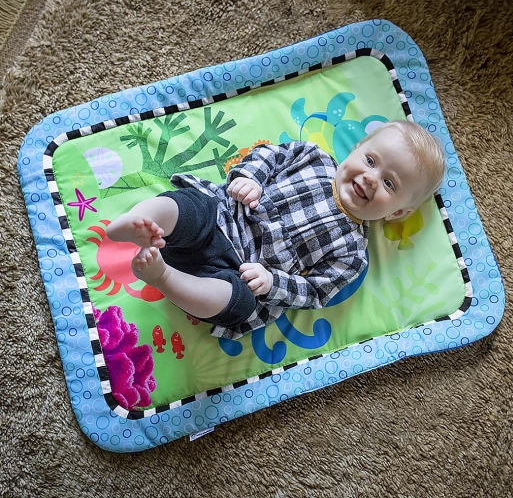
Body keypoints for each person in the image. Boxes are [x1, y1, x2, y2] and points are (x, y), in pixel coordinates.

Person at [106, 120, 446, 340]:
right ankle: (138, 221)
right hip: (222, 217)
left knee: (238, 303)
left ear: (397, 212)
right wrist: (250, 178)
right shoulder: (313, 158)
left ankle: (164, 277)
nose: (371, 178)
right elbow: (269, 155)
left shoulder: (353, 254)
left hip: (237, 271)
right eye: (370, 161)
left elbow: (314, 292)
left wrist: (273, 282)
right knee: (190, 206)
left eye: (389, 183)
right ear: (356, 149)